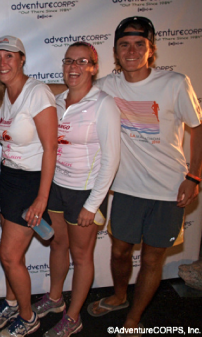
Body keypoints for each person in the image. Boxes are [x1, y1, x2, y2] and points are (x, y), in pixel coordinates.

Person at [49, 17, 201, 336]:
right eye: (124, 45)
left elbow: (198, 128)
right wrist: (22, 86)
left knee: (150, 260)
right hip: (127, 189)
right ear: (116, 52)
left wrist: (195, 175)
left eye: (139, 44)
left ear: (151, 49)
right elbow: (70, 89)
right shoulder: (106, 86)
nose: (131, 51)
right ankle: (119, 296)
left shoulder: (175, 82)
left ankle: (134, 317)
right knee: (119, 252)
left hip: (169, 190)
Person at [31, 42, 121, 337]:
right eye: (69, 61)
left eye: (82, 62)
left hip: (85, 192)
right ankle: (56, 298)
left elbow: (111, 158)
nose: (74, 67)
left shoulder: (103, 103)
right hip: (57, 186)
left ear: (94, 68)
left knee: (82, 257)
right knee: (58, 245)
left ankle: (73, 317)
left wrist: (93, 205)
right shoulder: (57, 103)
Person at [0, 36, 58, 337]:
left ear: (22, 59)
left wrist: (41, 198)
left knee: (9, 256)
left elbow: (51, 147)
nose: (3, 63)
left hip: (31, 182)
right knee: (16, 254)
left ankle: (28, 319)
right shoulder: (2, 95)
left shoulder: (37, 92)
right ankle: (13, 301)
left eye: (9, 56)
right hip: (9, 179)